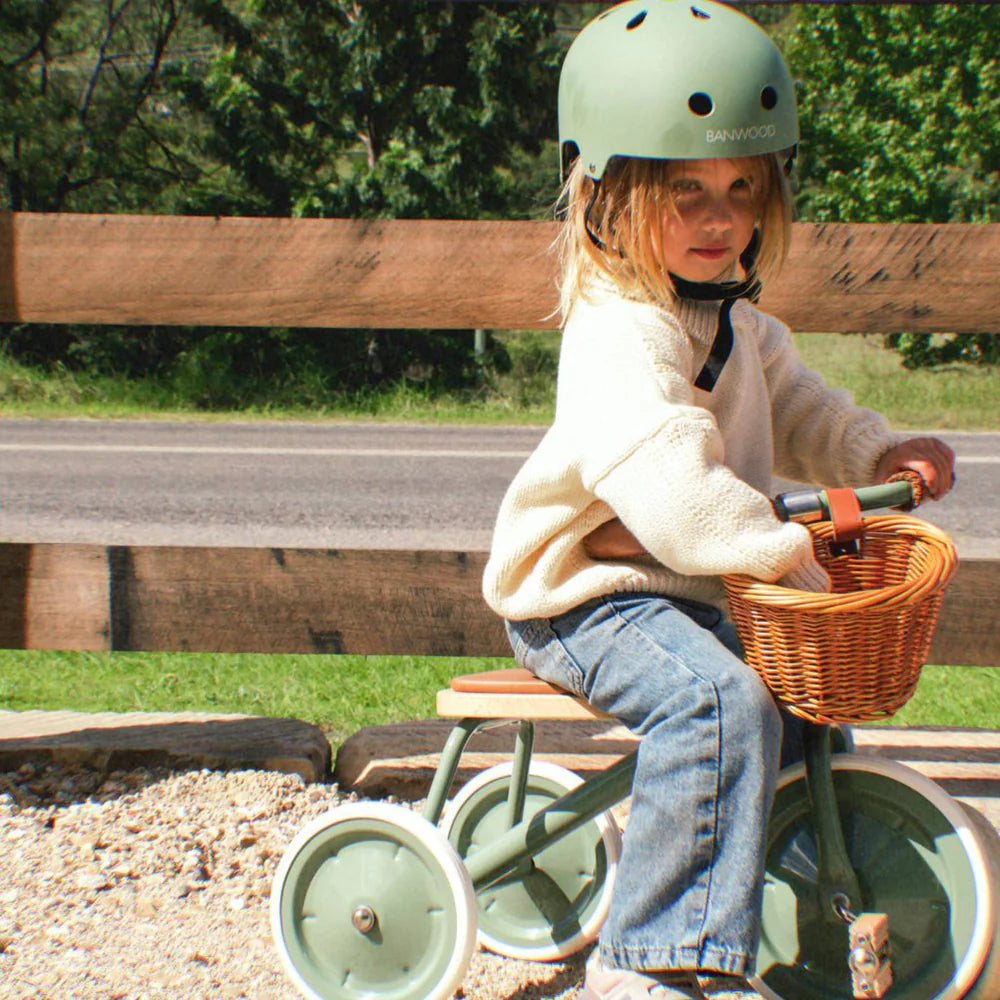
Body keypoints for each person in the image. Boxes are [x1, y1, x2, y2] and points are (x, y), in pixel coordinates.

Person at [481, 3, 956, 999]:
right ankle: (654, 960)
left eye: (740, 189)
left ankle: (782, 876)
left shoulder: (734, 322)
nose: (718, 218)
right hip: (585, 593)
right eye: (682, 190)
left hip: (686, 583)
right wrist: (778, 542)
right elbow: (673, 488)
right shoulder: (620, 335)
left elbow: (798, 402)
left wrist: (879, 448)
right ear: (608, 196)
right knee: (717, 700)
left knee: (800, 700)